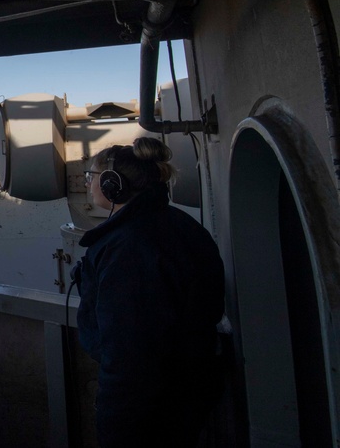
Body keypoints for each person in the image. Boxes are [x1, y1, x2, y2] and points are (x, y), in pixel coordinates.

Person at [75, 137, 225, 448]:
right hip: (186, 391)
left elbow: (128, 347)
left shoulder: (128, 246)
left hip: (145, 405)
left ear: (112, 184)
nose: (88, 184)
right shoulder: (177, 224)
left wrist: (115, 414)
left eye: (92, 177)